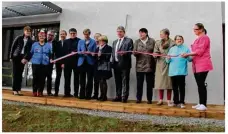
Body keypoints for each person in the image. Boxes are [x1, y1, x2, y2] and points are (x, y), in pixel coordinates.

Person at [181, 23, 213, 111]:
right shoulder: (198, 39)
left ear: (201, 29)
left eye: (196, 29)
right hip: (196, 65)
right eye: (194, 29)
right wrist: (188, 56)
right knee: (199, 84)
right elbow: (194, 52)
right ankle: (201, 102)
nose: (194, 31)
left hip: (203, 64)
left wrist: (187, 54)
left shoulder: (205, 38)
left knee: (201, 84)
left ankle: (203, 104)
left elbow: (200, 51)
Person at [166, 35, 192, 108]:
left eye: (180, 39)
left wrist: (187, 56)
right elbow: (167, 61)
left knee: (181, 88)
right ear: (175, 41)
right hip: (172, 72)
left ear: (182, 40)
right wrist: (168, 58)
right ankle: (176, 102)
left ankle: (182, 102)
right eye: (177, 39)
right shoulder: (172, 49)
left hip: (181, 72)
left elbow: (190, 59)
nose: (179, 40)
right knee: (174, 88)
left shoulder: (186, 48)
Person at [133, 28, 156, 104]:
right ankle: (138, 99)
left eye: (142, 33)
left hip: (150, 66)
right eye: (140, 33)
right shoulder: (137, 41)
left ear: (146, 33)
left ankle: (149, 99)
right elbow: (134, 52)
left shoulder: (152, 41)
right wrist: (135, 53)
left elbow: (155, 51)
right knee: (139, 84)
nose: (140, 34)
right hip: (140, 66)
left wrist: (155, 54)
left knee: (149, 84)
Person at [153, 28, 175, 106]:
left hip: (169, 64)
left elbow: (175, 52)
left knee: (169, 82)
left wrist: (170, 56)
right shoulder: (158, 43)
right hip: (160, 64)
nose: (160, 35)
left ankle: (169, 100)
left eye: (161, 34)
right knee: (160, 82)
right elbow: (155, 51)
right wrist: (155, 54)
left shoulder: (173, 43)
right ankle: (161, 99)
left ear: (166, 34)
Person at [112, 26, 133, 103]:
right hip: (116, 64)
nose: (119, 33)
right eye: (118, 31)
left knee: (125, 81)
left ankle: (124, 97)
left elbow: (131, 51)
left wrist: (125, 53)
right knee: (117, 81)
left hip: (125, 64)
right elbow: (113, 53)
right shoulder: (114, 42)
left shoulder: (128, 40)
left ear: (124, 32)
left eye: (120, 31)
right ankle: (118, 96)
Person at [10, 26, 33, 96]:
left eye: (29, 31)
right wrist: (11, 57)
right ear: (24, 31)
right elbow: (13, 47)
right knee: (15, 74)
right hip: (16, 57)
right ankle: (14, 90)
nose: (28, 32)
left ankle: (18, 89)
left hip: (23, 58)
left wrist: (26, 59)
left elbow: (29, 51)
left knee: (20, 74)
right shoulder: (19, 38)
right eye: (27, 31)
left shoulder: (30, 41)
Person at [29, 32, 52, 97]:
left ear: (45, 37)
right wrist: (27, 60)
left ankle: (40, 91)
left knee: (42, 78)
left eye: (43, 36)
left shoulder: (48, 45)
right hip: (35, 63)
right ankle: (34, 91)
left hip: (44, 64)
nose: (41, 37)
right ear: (38, 37)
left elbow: (50, 54)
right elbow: (31, 53)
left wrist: (50, 59)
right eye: (40, 36)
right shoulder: (34, 44)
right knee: (35, 78)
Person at [78, 29, 97, 100]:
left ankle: (88, 95)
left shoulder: (93, 42)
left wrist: (90, 53)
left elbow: (94, 52)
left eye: (87, 34)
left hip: (90, 62)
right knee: (82, 79)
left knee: (89, 79)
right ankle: (82, 94)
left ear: (89, 34)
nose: (86, 35)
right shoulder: (80, 41)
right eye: (85, 34)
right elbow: (78, 51)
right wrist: (81, 52)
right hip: (82, 62)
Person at [62, 28, 81, 97]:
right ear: (69, 34)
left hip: (76, 62)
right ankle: (67, 93)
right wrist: (63, 63)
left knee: (76, 78)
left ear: (76, 33)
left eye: (74, 33)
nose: (72, 34)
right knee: (67, 78)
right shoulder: (66, 41)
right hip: (67, 62)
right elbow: (63, 53)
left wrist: (76, 52)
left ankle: (76, 93)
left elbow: (81, 50)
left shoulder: (80, 41)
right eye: (71, 33)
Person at [95, 35, 112, 101]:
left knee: (103, 80)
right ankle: (101, 95)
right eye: (99, 41)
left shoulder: (109, 48)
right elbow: (95, 58)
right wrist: (96, 56)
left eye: (102, 41)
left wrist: (101, 55)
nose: (101, 42)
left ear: (105, 41)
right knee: (100, 81)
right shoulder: (97, 48)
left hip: (105, 66)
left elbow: (108, 57)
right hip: (98, 66)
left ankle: (104, 96)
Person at [52, 30, 67, 96]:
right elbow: (55, 53)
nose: (62, 35)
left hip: (66, 62)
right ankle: (56, 92)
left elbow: (68, 53)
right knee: (58, 77)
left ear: (66, 35)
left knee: (67, 78)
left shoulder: (68, 43)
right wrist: (55, 60)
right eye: (61, 34)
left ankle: (66, 93)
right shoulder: (57, 43)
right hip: (58, 62)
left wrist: (64, 63)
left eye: (63, 34)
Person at [46, 30, 57, 96]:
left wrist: (54, 59)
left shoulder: (56, 43)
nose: (50, 36)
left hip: (50, 62)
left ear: (54, 37)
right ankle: (39, 90)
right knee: (41, 76)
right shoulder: (42, 41)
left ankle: (49, 92)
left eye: (52, 35)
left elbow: (56, 52)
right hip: (42, 62)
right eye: (49, 34)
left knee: (49, 77)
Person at [92, 33, 102, 100]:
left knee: (101, 81)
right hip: (94, 64)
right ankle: (95, 94)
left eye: (98, 37)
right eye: (95, 37)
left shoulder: (102, 45)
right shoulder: (93, 45)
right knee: (95, 81)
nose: (96, 38)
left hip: (101, 65)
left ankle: (102, 95)